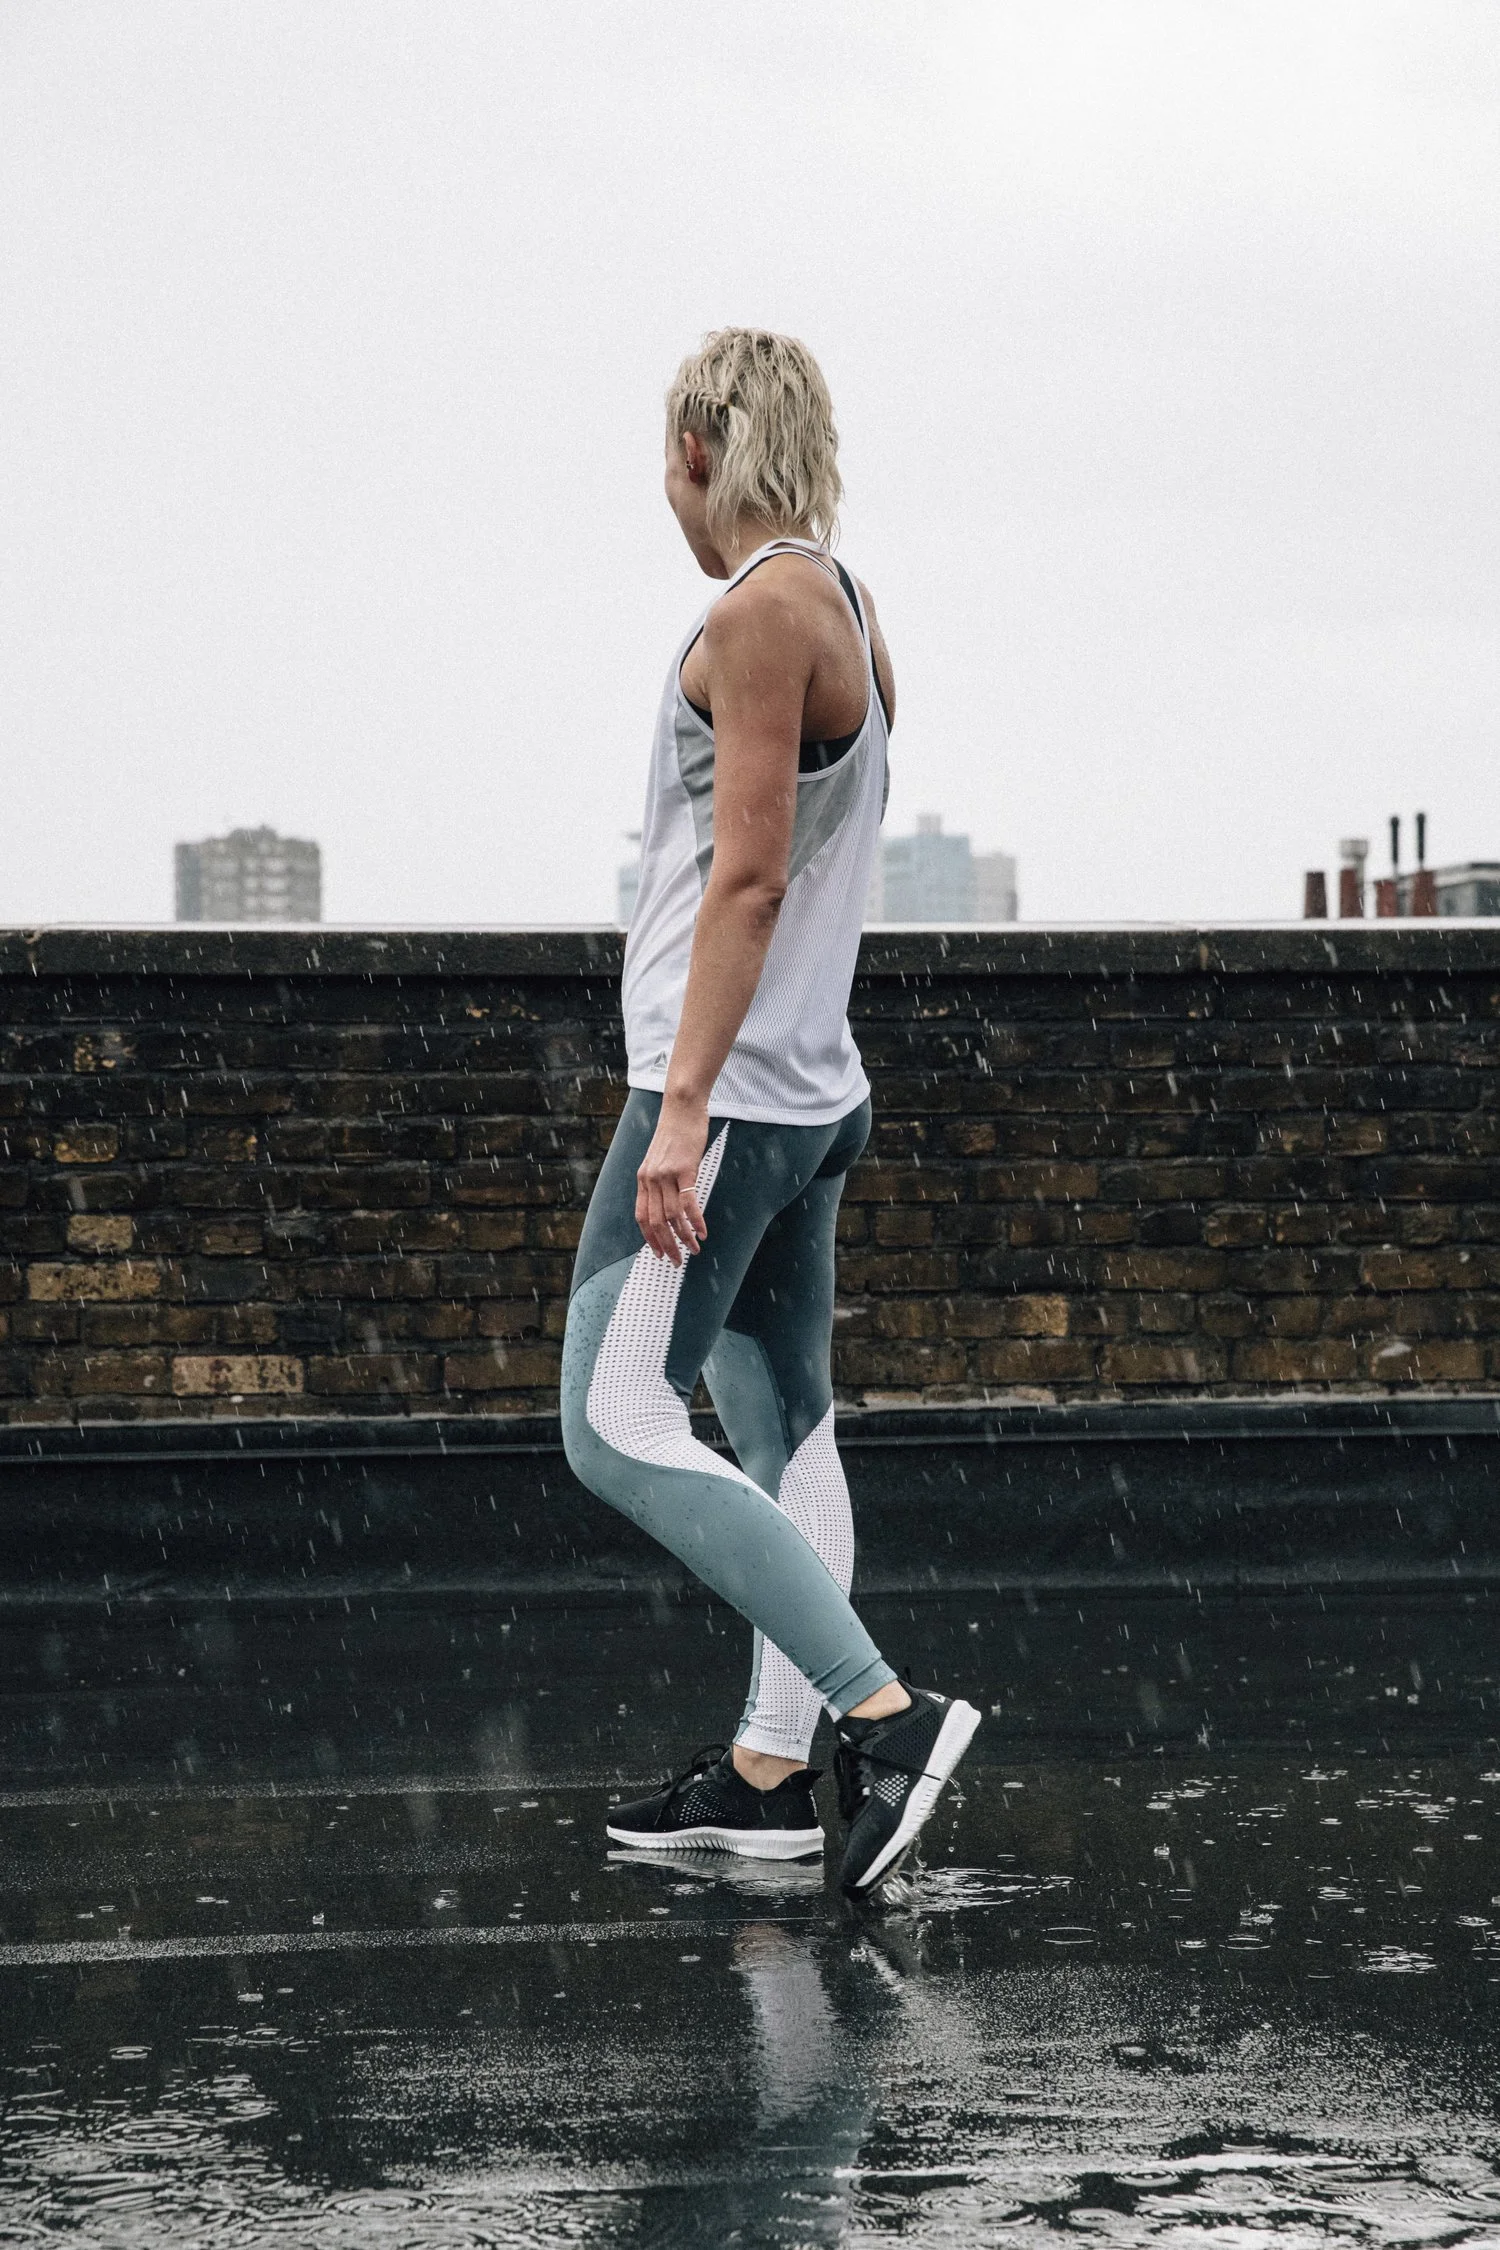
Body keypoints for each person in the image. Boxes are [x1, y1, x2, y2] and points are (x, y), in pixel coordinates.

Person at [561, 328, 978, 1895]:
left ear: (693, 450)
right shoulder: (851, 607)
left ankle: (881, 1713)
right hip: (815, 1092)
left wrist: (677, 1115)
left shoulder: (755, 614)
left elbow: (746, 874)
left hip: (729, 1098)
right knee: (783, 1421)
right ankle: (770, 1775)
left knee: (613, 1422)